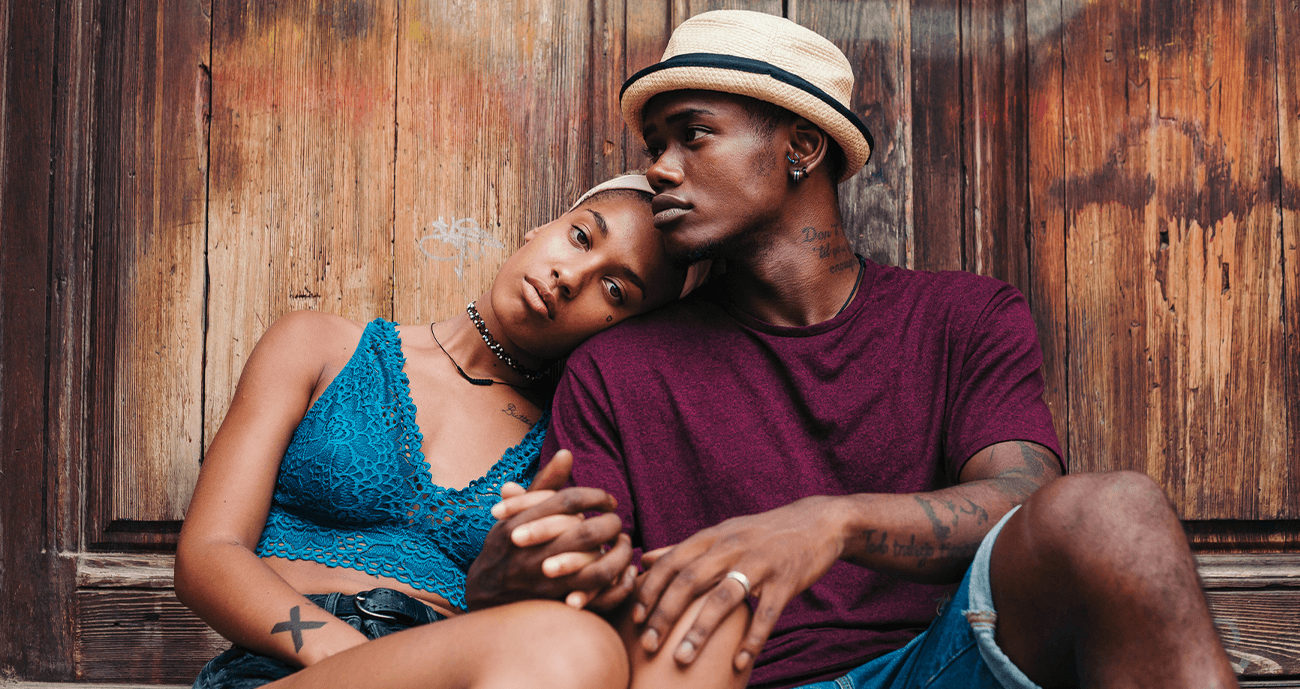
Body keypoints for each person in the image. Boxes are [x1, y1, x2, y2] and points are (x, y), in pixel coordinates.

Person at [474, 10, 1240, 689]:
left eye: (693, 134)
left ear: (802, 146)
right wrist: (552, 565)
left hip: (938, 663)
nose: (660, 167)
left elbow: (1021, 498)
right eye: (656, 143)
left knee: (1118, 510)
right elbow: (581, 587)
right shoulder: (617, 367)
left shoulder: (963, 317)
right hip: (729, 675)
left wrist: (828, 523)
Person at [174, 174, 696, 689]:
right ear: (541, 227)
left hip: (458, 672)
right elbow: (208, 554)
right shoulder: (320, 348)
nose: (570, 276)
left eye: (614, 289)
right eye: (581, 236)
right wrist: (352, 656)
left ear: (623, 331)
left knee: (574, 648)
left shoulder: (563, 451)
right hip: (280, 667)